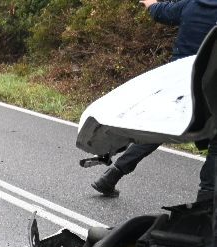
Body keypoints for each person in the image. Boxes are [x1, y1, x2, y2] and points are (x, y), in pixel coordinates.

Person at [92, 0, 217, 198]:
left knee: (161, 130)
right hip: (210, 89)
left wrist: (150, 3)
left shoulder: (191, 5)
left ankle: (112, 175)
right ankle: (206, 199)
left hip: (180, 86)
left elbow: (160, 12)